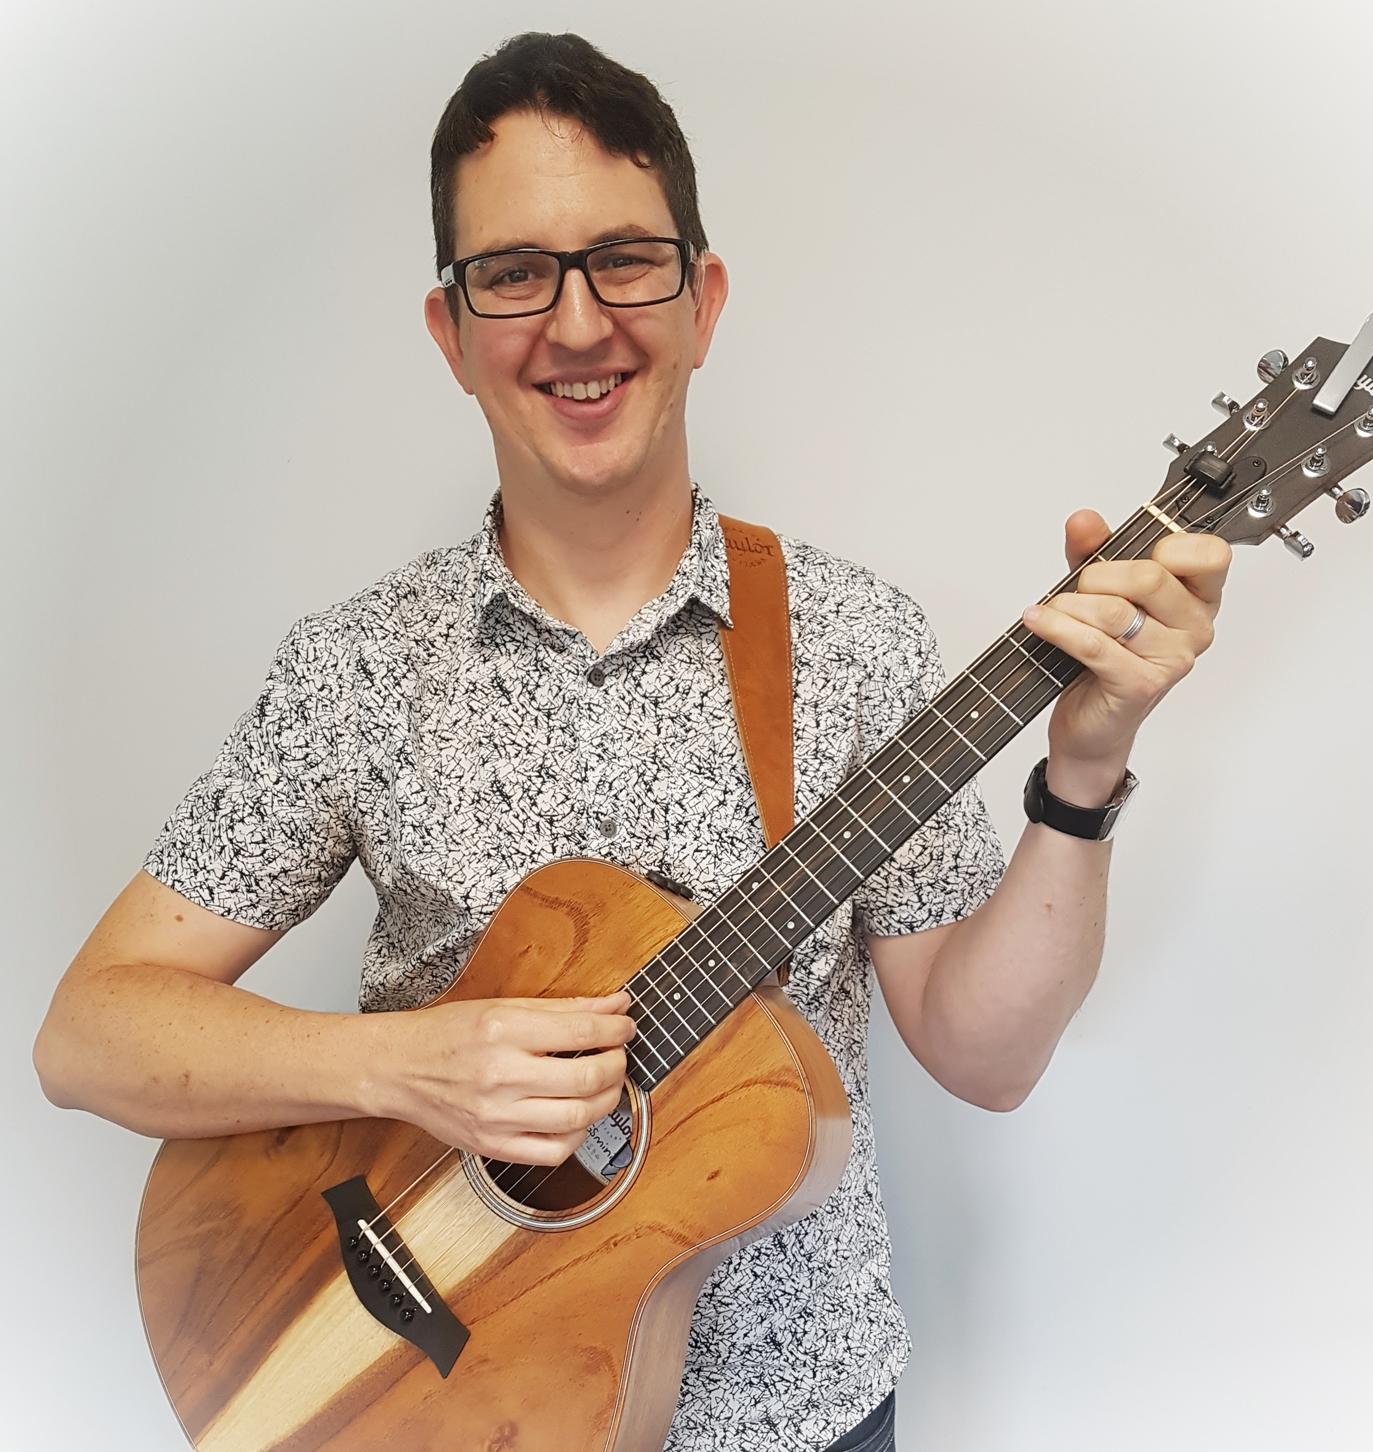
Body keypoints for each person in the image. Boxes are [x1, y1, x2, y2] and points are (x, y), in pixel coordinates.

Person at [32, 31, 1230, 1452]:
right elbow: (88, 1035)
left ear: (703, 298)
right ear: (453, 332)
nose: (580, 321)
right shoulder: (357, 668)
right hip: (444, 1408)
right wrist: (406, 1067)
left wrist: (1081, 777)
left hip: (808, 1420)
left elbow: (984, 1057)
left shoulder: (852, 640)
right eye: (516, 273)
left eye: (626, 259)